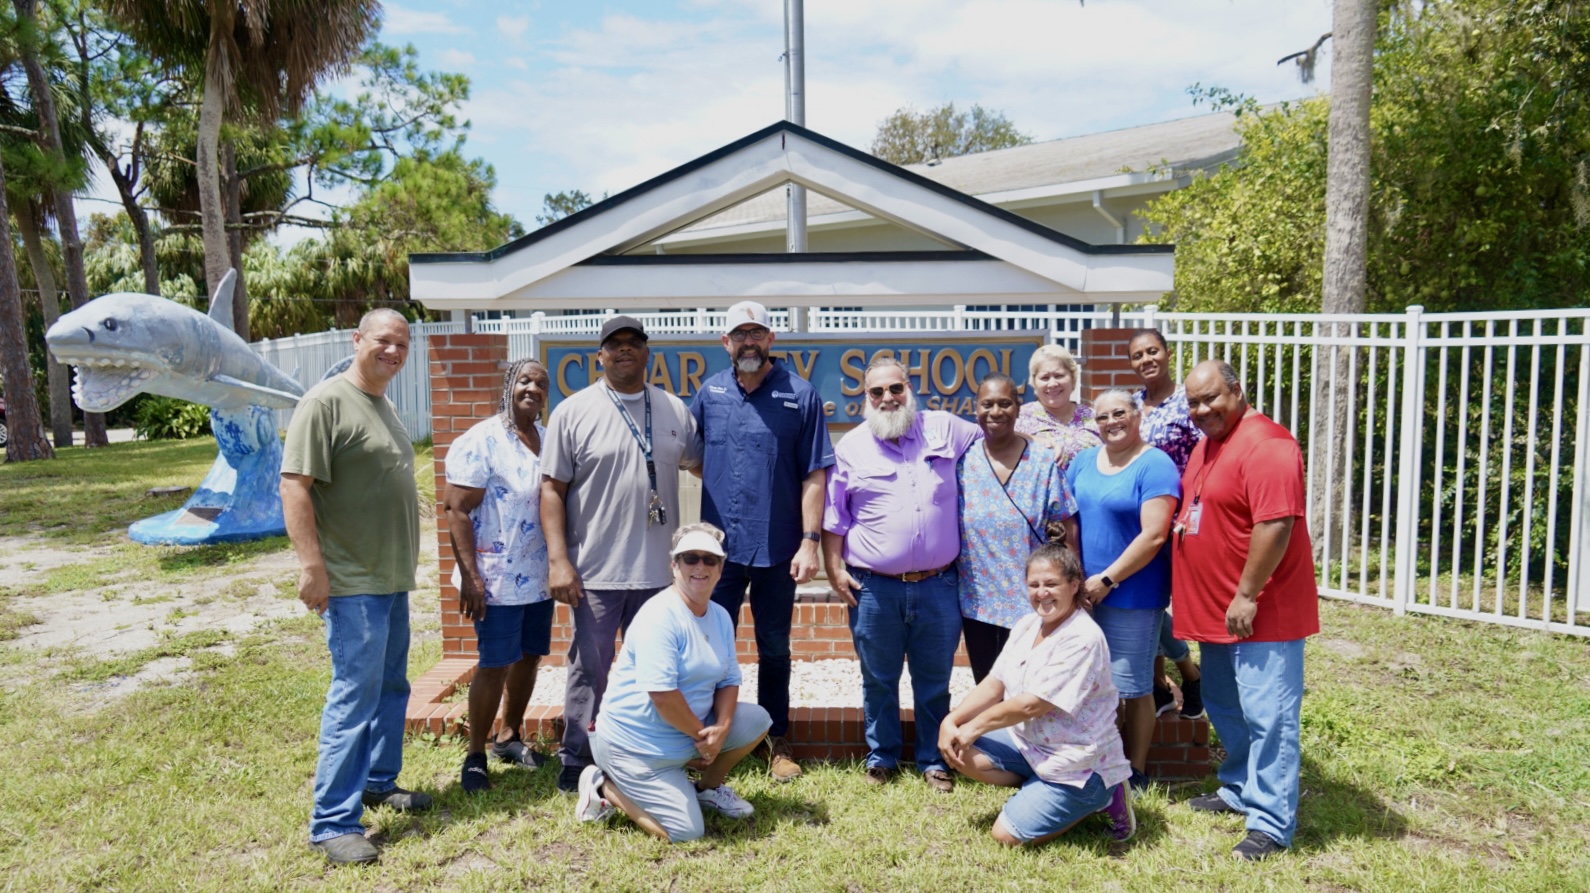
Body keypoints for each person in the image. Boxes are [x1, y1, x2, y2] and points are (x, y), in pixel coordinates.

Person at [280, 309, 426, 865]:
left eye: (402, 344)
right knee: (354, 697)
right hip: (352, 580)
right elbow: (295, 485)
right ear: (357, 340)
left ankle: (378, 781)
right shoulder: (324, 402)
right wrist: (312, 567)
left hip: (389, 578)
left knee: (391, 688)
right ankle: (333, 822)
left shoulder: (382, 402)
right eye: (383, 341)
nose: (393, 351)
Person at [542, 315, 702, 794]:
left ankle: (643, 753)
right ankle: (578, 757)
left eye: (634, 343)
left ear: (647, 353)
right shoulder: (573, 412)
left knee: (655, 669)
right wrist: (558, 561)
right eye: (615, 345)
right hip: (595, 571)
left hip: (660, 574)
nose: (625, 351)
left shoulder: (674, 409)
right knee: (590, 668)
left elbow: (704, 463)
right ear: (600, 356)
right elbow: (551, 489)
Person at [1172, 360, 1319, 862]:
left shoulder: (1269, 445)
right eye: (1193, 402)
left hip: (1259, 613)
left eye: (1211, 397)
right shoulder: (1210, 443)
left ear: (1238, 390)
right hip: (1218, 614)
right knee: (1227, 707)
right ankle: (1240, 788)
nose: (1202, 409)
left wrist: (1247, 593)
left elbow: (1275, 524)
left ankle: (1272, 823)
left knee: (1269, 716)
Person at [822, 355, 980, 793]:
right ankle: (883, 756)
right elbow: (835, 517)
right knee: (878, 678)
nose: (888, 398)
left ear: (909, 389)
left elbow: (997, 441)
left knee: (935, 680)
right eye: (878, 391)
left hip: (938, 584)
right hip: (873, 588)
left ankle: (933, 760)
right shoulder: (850, 447)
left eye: (896, 389)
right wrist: (834, 569)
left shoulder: (945, 428)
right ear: (865, 398)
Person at [691, 300, 834, 782]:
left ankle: (776, 742)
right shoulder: (709, 391)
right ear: (725, 343)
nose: (748, 341)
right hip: (717, 554)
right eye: (739, 334)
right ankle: (711, 737)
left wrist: (810, 540)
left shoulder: (800, 394)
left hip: (778, 548)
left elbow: (815, 473)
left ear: (771, 339)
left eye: (757, 333)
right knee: (713, 647)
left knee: (774, 647)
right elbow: (692, 453)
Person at [576, 523, 772, 842]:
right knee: (686, 832)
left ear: (721, 568)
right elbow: (663, 696)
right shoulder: (660, 617)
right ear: (674, 566)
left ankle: (706, 789)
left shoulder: (720, 615)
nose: (700, 566)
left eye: (710, 560)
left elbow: (730, 680)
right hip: (635, 744)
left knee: (757, 720)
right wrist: (704, 738)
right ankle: (602, 786)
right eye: (690, 558)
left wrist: (721, 729)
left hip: (683, 735)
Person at [938, 540, 1136, 847]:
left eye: (1051, 583)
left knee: (1004, 837)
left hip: (1078, 761)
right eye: (1034, 584)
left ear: (1074, 585)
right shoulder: (1027, 625)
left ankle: (1101, 795)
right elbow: (995, 683)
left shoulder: (1083, 637)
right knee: (959, 750)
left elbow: (1033, 705)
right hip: (1032, 742)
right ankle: (1041, 789)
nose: (1041, 592)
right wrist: (952, 721)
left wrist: (974, 727)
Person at [443, 358, 554, 793]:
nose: (533, 389)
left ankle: (509, 738)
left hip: (538, 575)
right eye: (524, 380)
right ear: (509, 385)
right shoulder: (483, 441)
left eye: (541, 384)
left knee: (529, 657)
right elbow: (455, 509)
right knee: (494, 664)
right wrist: (471, 578)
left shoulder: (545, 440)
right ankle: (474, 755)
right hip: (495, 579)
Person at [1065, 389, 1181, 791]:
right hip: (1084, 594)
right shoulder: (1083, 461)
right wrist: (1075, 576)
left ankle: (1137, 770)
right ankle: (1105, 764)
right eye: (1102, 417)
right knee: (1097, 684)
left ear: (1137, 415)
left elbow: (1153, 536)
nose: (1111, 422)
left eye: (1120, 413)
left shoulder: (1155, 465)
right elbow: (1069, 519)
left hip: (1132, 595)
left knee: (1132, 687)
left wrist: (1108, 579)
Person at [957, 373, 1078, 682]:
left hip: (1033, 600)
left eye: (1004, 403)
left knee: (1030, 687)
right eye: (987, 404)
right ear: (976, 409)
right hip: (978, 602)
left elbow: (1067, 522)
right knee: (987, 685)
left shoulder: (1041, 461)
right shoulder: (962, 461)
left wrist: (1073, 583)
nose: (995, 412)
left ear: (1018, 408)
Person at [1127, 329, 1205, 721]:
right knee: (1147, 601)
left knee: (1157, 604)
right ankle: (1162, 683)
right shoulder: (1133, 404)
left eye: (1152, 351)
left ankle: (1189, 674)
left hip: (1176, 521)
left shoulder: (1187, 403)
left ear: (1167, 352)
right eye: (1138, 355)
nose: (1146, 360)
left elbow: (1207, 457)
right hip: (1138, 520)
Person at [1015, 344, 1100, 470]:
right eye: (1045, 378)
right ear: (1034, 382)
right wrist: (1034, 439)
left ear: (1072, 378)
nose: (1052, 383)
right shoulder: (1020, 418)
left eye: (1059, 376)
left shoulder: (1094, 416)